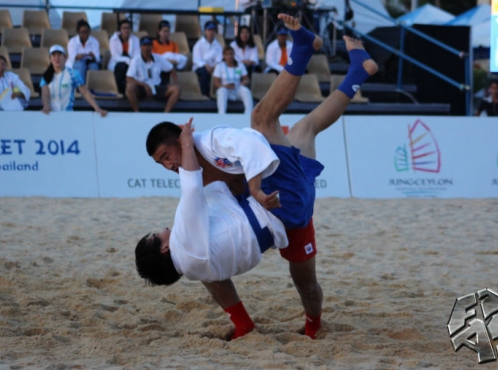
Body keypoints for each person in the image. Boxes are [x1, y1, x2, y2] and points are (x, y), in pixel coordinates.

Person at [135, 14, 378, 340]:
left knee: (272, 121)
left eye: (166, 156)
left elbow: (251, 143)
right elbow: (198, 204)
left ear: (180, 140)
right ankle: (320, 54)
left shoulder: (210, 142)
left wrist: (252, 185)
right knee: (302, 283)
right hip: (281, 201)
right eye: (160, 162)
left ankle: (342, 67)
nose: (167, 165)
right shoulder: (189, 206)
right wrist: (251, 190)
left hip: (279, 191)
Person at [40, 45, 107, 116]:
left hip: (68, 115)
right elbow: (45, 94)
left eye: (59, 55)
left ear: (65, 58)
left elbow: (85, 92)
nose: (57, 58)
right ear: (50, 59)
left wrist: (97, 108)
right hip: (51, 114)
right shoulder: (46, 75)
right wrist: (46, 107)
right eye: (53, 55)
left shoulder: (73, 73)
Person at [125, 36, 180, 113]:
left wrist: (175, 83)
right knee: (129, 87)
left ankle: (166, 114)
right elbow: (129, 78)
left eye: (149, 45)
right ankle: (136, 112)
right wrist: (144, 85)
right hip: (142, 87)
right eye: (144, 45)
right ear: (141, 47)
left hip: (157, 86)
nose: (147, 48)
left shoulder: (158, 58)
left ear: (152, 46)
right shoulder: (136, 60)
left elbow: (172, 70)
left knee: (176, 89)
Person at [213, 46, 253, 115]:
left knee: (246, 91)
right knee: (222, 91)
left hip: (237, 88)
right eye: (227, 54)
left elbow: (246, 79)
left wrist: (243, 83)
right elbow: (216, 83)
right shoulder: (219, 66)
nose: (229, 56)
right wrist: (225, 86)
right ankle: (221, 114)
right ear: (223, 56)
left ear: (234, 55)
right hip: (226, 89)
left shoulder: (240, 65)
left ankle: (248, 114)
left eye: (231, 54)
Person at [192, 20, 223, 97]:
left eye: (213, 30)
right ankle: (204, 94)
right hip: (200, 67)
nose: (211, 32)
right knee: (204, 72)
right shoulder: (198, 44)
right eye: (209, 30)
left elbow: (219, 59)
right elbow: (196, 60)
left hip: (214, 67)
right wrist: (206, 65)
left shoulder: (218, 45)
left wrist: (214, 66)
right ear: (205, 31)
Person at [109, 19, 140, 94]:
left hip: (132, 62)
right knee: (122, 66)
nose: (126, 30)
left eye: (128, 28)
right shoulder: (113, 40)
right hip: (117, 63)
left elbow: (137, 55)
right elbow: (115, 56)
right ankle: (121, 91)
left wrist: (131, 61)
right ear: (120, 29)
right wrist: (128, 60)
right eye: (124, 28)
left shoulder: (135, 40)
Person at [66, 19, 101, 83]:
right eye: (82, 32)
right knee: (81, 64)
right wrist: (82, 56)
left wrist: (93, 57)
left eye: (87, 31)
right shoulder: (72, 41)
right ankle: (81, 88)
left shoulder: (95, 42)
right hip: (76, 63)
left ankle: (93, 87)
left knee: (94, 66)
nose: (85, 34)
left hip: (90, 62)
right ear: (78, 32)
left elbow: (98, 58)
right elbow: (73, 58)